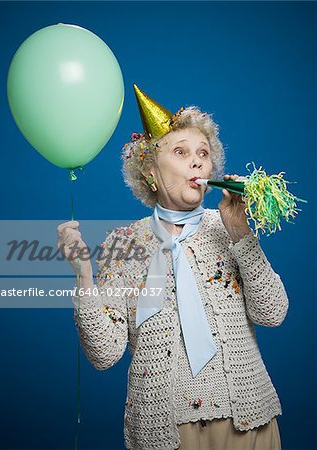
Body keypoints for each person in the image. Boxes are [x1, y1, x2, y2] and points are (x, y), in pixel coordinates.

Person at [57, 85, 288, 450]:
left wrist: (242, 233)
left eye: (203, 153)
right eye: (180, 152)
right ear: (150, 170)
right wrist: (84, 275)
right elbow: (104, 355)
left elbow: (273, 313)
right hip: (165, 431)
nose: (196, 162)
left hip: (249, 418)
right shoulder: (124, 245)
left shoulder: (228, 226)